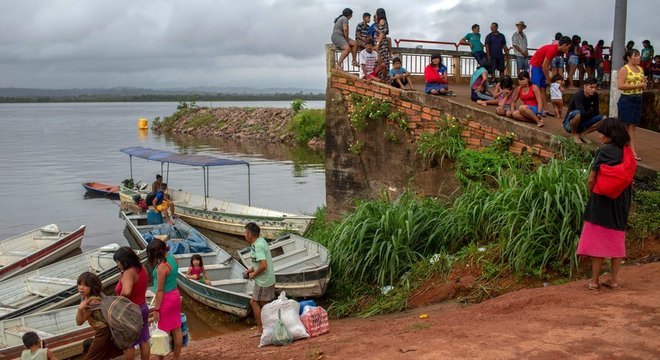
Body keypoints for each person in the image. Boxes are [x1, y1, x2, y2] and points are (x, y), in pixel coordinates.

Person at [577, 117, 634, 290]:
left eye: (601, 133)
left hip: (602, 199)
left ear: (609, 134)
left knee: (598, 238)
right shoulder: (627, 151)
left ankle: (594, 281)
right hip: (621, 200)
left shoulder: (604, 151)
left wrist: (591, 192)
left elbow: (592, 177)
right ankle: (613, 280)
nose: (600, 136)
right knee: (617, 236)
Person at [148, 240, 183, 360]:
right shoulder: (173, 258)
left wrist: (156, 309)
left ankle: (161, 358)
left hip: (166, 299)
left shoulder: (162, 268)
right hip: (175, 295)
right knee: (176, 327)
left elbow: (160, 290)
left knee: (163, 331)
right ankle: (176, 357)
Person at [76, 272, 123, 360]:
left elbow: (79, 321)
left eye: (85, 285)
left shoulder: (93, 301)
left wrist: (79, 309)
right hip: (103, 331)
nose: (81, 287)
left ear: (93, 287)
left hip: (104, 332)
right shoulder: (85, 298)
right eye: (79, 284)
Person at [114, 247, 150, 360]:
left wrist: (117, 302)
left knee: (129, 344)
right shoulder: (141, 267)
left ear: (124, 261)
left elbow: (126, 291)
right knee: (144, 340)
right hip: (143, 307)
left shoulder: (129, 273)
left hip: (131, 311)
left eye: (117, 262)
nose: (117, 265)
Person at [242, 222, 276, 337]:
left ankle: (261, 329)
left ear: (250, 234)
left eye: (245, 233)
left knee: (254, 302)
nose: (244, 235)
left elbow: (263, 265)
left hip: (263, 281)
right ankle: (270, 326)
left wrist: (253, 275)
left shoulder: (258, 246)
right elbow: (258, 262)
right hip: (266, 279)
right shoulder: (260, 241)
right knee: (265, 304)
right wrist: (249, 270)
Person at [529, 36, 572, 116]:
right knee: (536, 87)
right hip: (535, 65)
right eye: (568, 47)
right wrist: (548, 78)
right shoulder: (553, 49)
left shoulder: (557, 51)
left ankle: (545, 109)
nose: (567, 50)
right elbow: (545, 65)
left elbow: (546, 64)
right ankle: (537, 108)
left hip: (541, 67)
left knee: (543, 88)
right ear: (564, 45)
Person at [617, 49, 646, 161]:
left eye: (639, 56)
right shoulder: (624, 69)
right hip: (627, 99)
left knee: (633, 126)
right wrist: (638, 85)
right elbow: (620, 85)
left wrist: (642, 86)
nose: (638, 58)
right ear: (629, 58)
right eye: (636, 56)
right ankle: (625, 150)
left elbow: (641, 83)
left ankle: (631, 150)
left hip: (638, 98)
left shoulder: (640, 69)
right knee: (624, 126)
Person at [563, 78, 605, 143]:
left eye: (595, 88)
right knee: (577, 114)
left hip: (583, 123)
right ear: (585, 86)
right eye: (591, 87)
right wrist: (590, 111)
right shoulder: (579, 95)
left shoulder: (595, 95)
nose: (593, 90)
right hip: (569, 125)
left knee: (604, 119)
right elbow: (581, 112)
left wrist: (589, 112)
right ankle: (574, 135)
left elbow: (596, 112)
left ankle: (583, 134)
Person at [372, 8, 391, 82]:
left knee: (381, 61)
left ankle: (383, 78)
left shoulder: (382, 21)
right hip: (381, 44)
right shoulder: (380, 21)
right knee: (380, 60)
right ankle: (383, 78)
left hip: (381, 45)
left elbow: (381, 33)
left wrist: (377, 44)